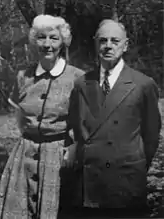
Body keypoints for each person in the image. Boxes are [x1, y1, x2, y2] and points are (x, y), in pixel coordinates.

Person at [64, 19, 162, 217]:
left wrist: (135, 166)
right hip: (89, 182)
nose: (108, 46)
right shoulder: (82, 84)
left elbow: (151, 136)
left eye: (115, 41)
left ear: (125, 45)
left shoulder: (143, 84)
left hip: (126, 182)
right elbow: (73, 125)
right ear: (95, 44)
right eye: (103, 40)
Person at [0, 14, 84, 219]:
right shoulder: (23, 76)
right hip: (24, 153)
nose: (47, 44)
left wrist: (75, 145)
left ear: (63, 42)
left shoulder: (77, 77)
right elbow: (19, 116)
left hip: (58, 153)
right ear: (34, 41)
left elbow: (85, 119)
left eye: (53, 38)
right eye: (41, 38)